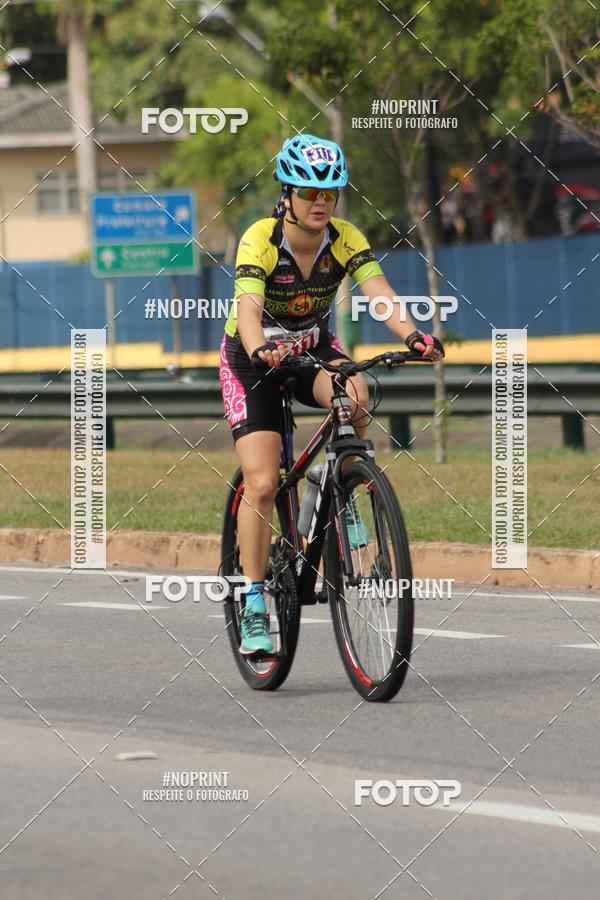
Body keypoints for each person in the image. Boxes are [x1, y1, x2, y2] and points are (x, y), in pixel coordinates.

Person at [219, 133, 444, 654]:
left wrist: (413, 335)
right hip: (252, 359)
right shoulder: (260, 238)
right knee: (262, 480)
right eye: (309, 192)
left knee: (357, 393)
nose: (321, 202)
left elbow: (379, 295)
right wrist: (258, 351)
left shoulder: (344, 238)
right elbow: (249, 311)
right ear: (287, 192)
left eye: (330, 193)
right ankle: (254, 601)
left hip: (312, 349)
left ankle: (341, 486)